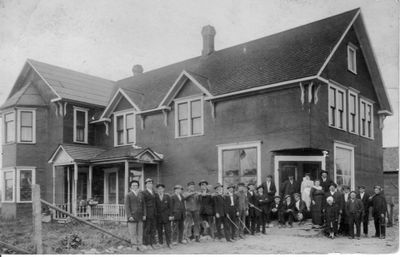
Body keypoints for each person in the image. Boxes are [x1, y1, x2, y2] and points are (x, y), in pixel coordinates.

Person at [125, 180, 145, 251]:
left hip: (140, 216)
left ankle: (140, 245)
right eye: (133, 185)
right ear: (131, 187)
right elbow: (127, 207)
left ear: (138, 186)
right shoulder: (128, 195)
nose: (135, 187)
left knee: (140, 232)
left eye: (136, 185)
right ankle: (134, 245)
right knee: (132, 232)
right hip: (132, 217)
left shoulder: (141, 195)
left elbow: (144, 205)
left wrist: (144, 215)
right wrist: (129, 216)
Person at [155, 183, 173, 248]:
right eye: (158, 189)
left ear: (163, 189)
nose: (160, 190)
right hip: (158, 217)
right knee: (159, 230)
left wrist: (171, 215)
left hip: (167, 217)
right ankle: (161, 243)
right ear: (157, 190)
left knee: (168, 230)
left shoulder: (167, 196)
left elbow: (170, 207)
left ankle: (169, 243)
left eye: (161, 189)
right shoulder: (155, 196)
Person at [142, 178, 157, 248]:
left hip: (154, 213)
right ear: (145, 185)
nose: (150, 184)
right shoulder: (144, 192)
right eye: (148, 183)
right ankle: (146, 243)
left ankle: (152, 242)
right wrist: (144, 214)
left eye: (151, 183)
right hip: (147, 213)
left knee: (153, 228)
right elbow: (143, 204)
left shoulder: (154, 192)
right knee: (147, 228)